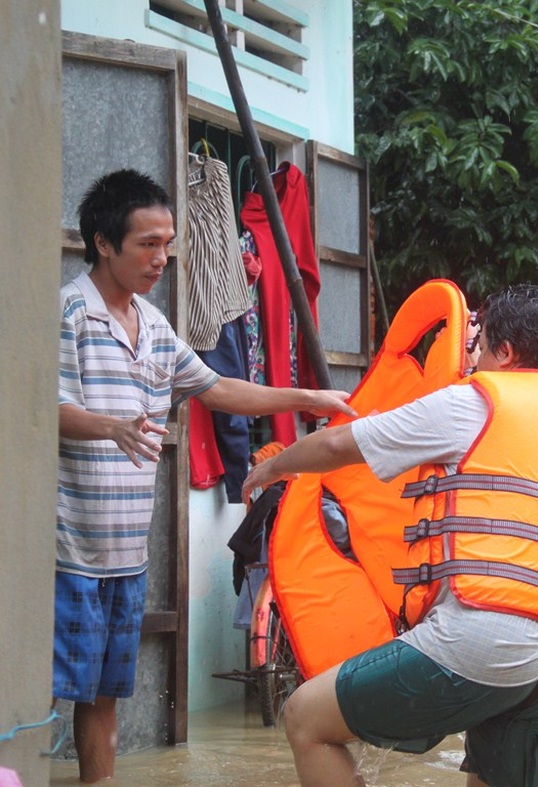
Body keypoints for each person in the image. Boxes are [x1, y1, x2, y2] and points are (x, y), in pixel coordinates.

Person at [242, 284, 538, 787]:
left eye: (480, 349)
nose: (472, 360)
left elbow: (334, 446)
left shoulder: (474, 404)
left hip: (482, 642)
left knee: (306, 718)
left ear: (505, 352)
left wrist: (273, 468)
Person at [56, 168, 356, 783]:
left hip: (125, 554)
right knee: (40, 694)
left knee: (103, 698)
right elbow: (42, 409)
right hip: (65, 552)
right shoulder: (70, 312)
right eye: (147, 244)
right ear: (105, 243)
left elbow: (219, 389)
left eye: (167, 243)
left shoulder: (157, 325)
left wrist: (306, 398)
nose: (162, 257)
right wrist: (110, 426)